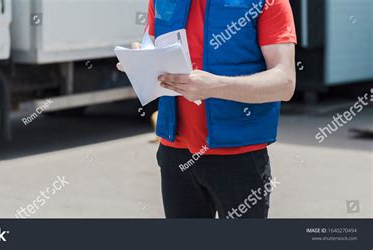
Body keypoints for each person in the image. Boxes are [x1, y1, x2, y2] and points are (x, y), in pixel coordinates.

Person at [118, 0, 297, 218]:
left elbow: (285, 82)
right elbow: (153, 47)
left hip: (239, 155)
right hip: (176, 153)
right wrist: (140, 61)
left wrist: (215, 87)